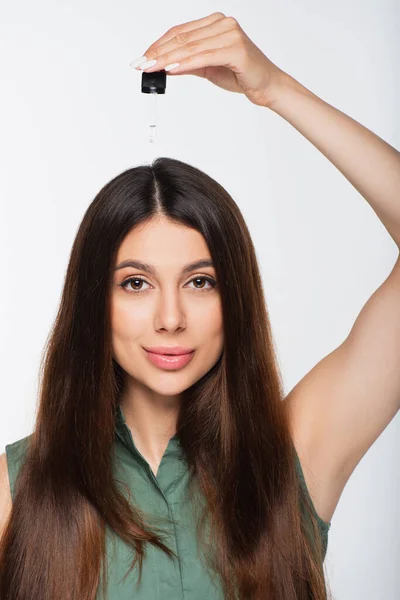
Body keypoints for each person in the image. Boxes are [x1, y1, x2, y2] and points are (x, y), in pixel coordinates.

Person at [1, 11, 399, 600]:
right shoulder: (18, 489)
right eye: (135, 283)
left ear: (235, 297)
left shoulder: (294, 459)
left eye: (201, 282)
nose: (170, 318)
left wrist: (274, 89)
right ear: (94, 303)